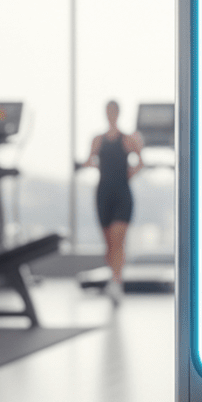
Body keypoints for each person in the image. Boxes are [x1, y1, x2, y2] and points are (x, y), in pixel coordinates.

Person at [79, 101, 143, 305]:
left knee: (118, 238)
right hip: (103, 193)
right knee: (109, 244)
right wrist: (87, 164)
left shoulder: (128, 139)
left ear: (118, 113)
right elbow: (89, 161)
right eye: (108, 111)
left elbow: (140, 162)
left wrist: (128, 174)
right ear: (106, 113)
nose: (111, 114)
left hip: (122, 193)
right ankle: (114, 277)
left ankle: (116, 282)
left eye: (113, 111)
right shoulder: (98, 140)